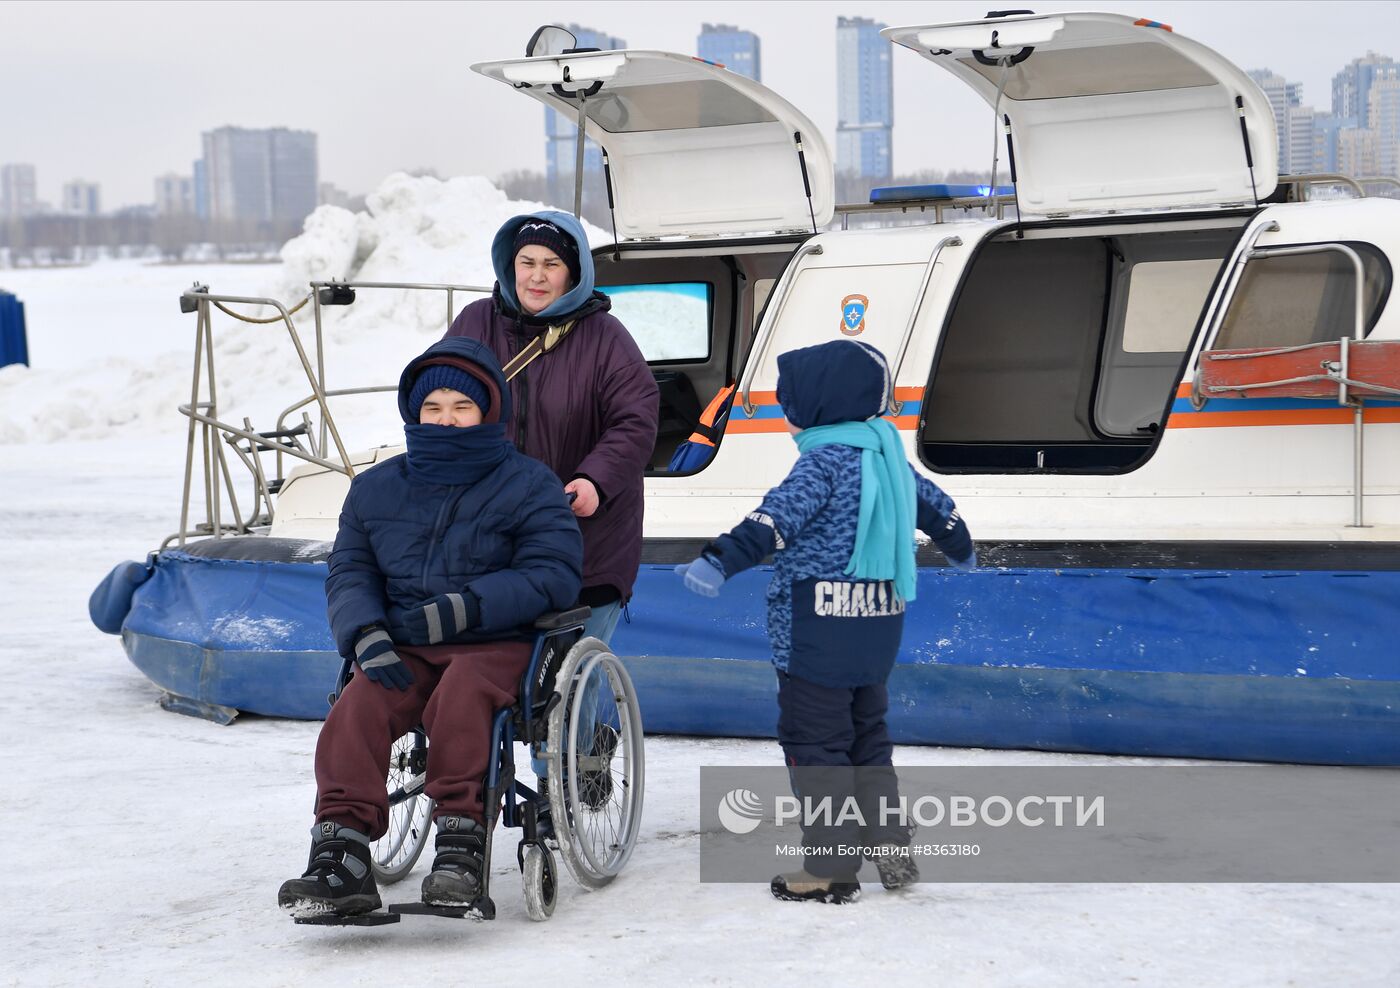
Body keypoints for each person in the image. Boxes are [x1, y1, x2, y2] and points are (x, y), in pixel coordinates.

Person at [277, 337, 583, 919]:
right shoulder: (374, 488)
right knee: (359, 703)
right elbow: (350, 570)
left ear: (489, 411)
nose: (446, 418)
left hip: (496, 642)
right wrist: (364, 631)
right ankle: (341, 855)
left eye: (461, 407)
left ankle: (459, 847)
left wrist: (466, 607)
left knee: (464, 693)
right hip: (406, 646)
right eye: (433, 406)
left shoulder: (529, 483)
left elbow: (554, 574)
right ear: (413, 411)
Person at [676, 340, 976, 905]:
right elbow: (940, 510)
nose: (786, 413)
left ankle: (830, 869)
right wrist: (960, 545)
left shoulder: (823, 462)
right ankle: (889, 843)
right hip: (876, 629)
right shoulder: (887, 457)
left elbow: (775, 520)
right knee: (868, 740)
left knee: (817, 749)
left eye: (790, 401)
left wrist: (720, 559)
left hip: (816, 632)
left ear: (815, 405)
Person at [444, 211, 658, 795]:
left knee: (571, 668)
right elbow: (439, 398)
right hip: (495, 533)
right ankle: (472, 777)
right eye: (527, 264)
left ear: (575, 273)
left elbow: (635, 420)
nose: (537, 277)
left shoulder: (605, 337)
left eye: (551, 265)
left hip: (587, 531)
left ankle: (565, 775)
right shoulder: (475, 323)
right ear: (509, 266)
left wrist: (594, 479)